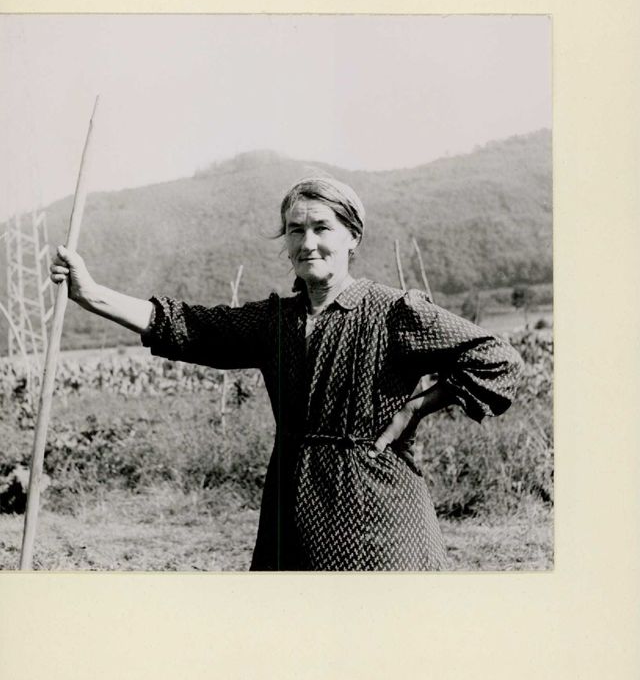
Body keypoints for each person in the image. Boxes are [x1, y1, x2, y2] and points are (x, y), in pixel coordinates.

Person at [51, 176, 524, 571]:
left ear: (353, 237)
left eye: (322, 228)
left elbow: (498, 357)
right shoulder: (274, 323)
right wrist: (90, 294)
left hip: (378, 513)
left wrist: (415, 409)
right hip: (292, 512)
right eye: (296, 230)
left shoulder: (394, 312)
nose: (307, 242)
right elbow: (187, 326)